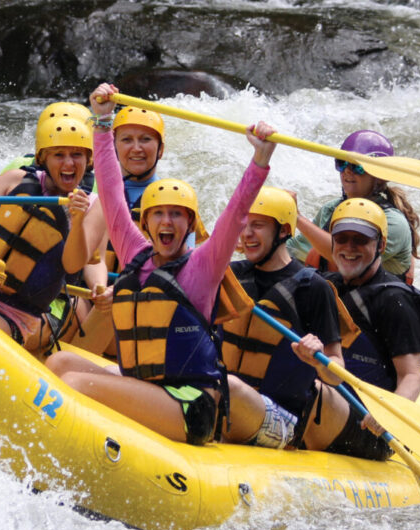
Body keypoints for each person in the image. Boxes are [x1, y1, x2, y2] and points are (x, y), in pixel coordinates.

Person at [45, 82, 278, 445]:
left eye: (177, 215)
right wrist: (103, 123)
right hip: (144, 384)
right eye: (159, 215)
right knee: (59, 365)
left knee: (76, 384)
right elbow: (110, 190)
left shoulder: (203, 266)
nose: (166, 223)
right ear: (146, 222)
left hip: (190, 403)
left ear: (190, 224)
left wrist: (260, 160)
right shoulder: (135, 250)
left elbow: (235, 216)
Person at [219, 187, 390, 459]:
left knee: (226, 388)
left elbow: (336, 374)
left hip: (284, 421)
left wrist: (318, 360)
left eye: (258, 225)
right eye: (244, 225)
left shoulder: (313, 288)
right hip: (229, 403)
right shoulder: (231, 276)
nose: (247, 234)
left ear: (285, 231)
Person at [0, 115, 105, 352]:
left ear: (89, 161)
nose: (69, 163)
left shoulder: (95, 207)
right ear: (42, 158)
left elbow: (73, 265)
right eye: (59, 154)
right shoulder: (13, 180)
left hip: (15, 311)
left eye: (77, 155)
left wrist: (76, 221)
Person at [323, 199, 420, 403]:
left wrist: (386, 418)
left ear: (381, 245)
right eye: (341, 238)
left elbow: (411, 376)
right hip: (327, 395)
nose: (349, 248)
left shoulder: (395, 300)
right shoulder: (324, 286)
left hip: (365, 414)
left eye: (361, 240)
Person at [287, 130, 420, 282]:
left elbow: (343, 255)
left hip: (379, 302)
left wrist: (297, 218)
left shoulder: (394, 222)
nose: (348, 171)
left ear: (380, 177)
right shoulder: (331, 209)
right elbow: (294, 250)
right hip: (337, 296)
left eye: (358, 167)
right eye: (342, 163)